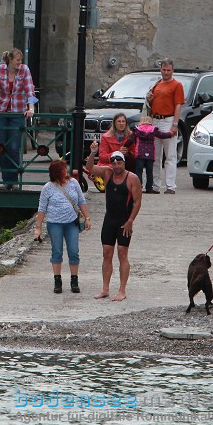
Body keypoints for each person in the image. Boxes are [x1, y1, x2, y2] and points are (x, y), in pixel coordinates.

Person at [85, 149, 142, 300]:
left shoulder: (132, 178)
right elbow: (89, 168)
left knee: (122, 253)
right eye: (114, 163)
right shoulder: (107, 173)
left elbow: (137, 202)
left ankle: (122, 290)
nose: (116, 166)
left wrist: (130, 221)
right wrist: (92, 153)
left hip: (124, 221)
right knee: (106, 253)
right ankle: (105, 288)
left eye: (119, 162)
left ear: (124, 162)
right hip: (109, 219)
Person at [34, 159, 91, 293]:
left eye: (65, 168)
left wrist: (87, 217)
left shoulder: (74, 183)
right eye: (62, 170)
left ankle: (74, 280)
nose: (65, 171)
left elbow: (81, 201)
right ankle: (57, 280)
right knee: (57, 251)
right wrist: (38, 228)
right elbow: (42, 208)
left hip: (71, 222)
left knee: (73, 251)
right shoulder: (48, 187)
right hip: (55, 223)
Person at [0, 48, 37, 191]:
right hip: (1, 113)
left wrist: (31, 108)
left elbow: (29, 89)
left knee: (14, 147)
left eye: (20, 61)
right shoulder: (0, 70)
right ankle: (6, 181)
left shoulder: (24, 70)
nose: (20, 63)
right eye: (17, 60)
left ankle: (14, 181)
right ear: (10, 61)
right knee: (2, 147)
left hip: (17, 112)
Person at [146, 59, 185, 194]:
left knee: (170, 155)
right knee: (155, 155)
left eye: (169, 70)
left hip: (168, 120)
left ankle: (170, 186)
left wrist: (175, 124)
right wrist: (150, 99)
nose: (166, 72)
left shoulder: (177, 85)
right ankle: (155, 186)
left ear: (172, 70)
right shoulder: (157, 84)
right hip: (155, 120)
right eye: (164, 70)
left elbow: (178, 105)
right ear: (160, 69)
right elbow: (150, 103)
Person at [121, 115, 173, 194]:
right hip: (150, 154)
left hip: (139, 154)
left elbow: (130, 140)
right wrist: (170, 134)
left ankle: (138, 187)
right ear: (151, 122)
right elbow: (162, 135)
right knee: (149, 172)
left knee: (139, 170)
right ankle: (149, 188)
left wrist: (124, 146)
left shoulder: (137, 130)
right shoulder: (154, 130)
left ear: (140, 122)